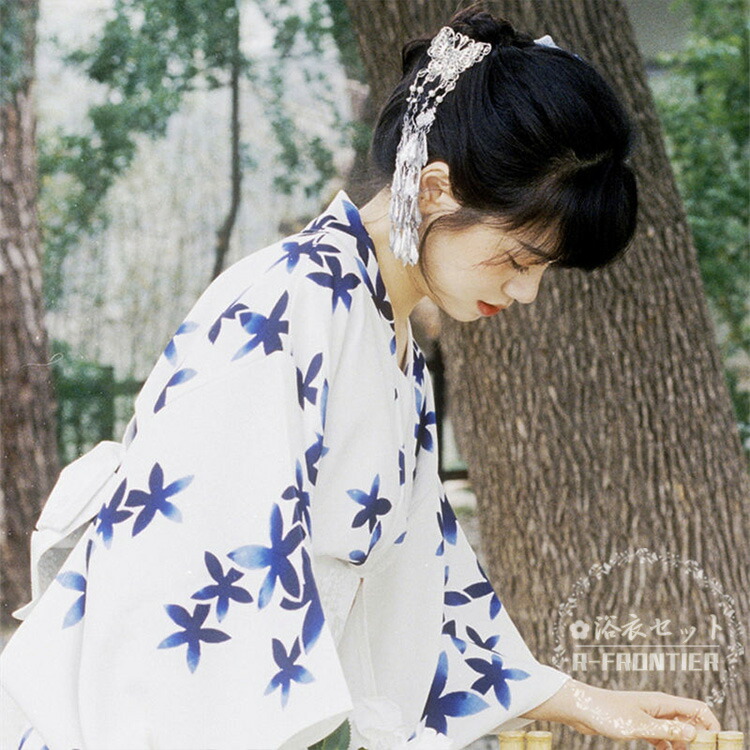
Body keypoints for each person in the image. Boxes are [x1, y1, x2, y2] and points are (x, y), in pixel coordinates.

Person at [0, 7, 721, 750]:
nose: (527, 292)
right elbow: (199, 600)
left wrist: (580, 700)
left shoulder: (386, 337)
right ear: (435, 190)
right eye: (517, 259)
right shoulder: (287, 306)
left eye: (544, 270)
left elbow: (424, 590)